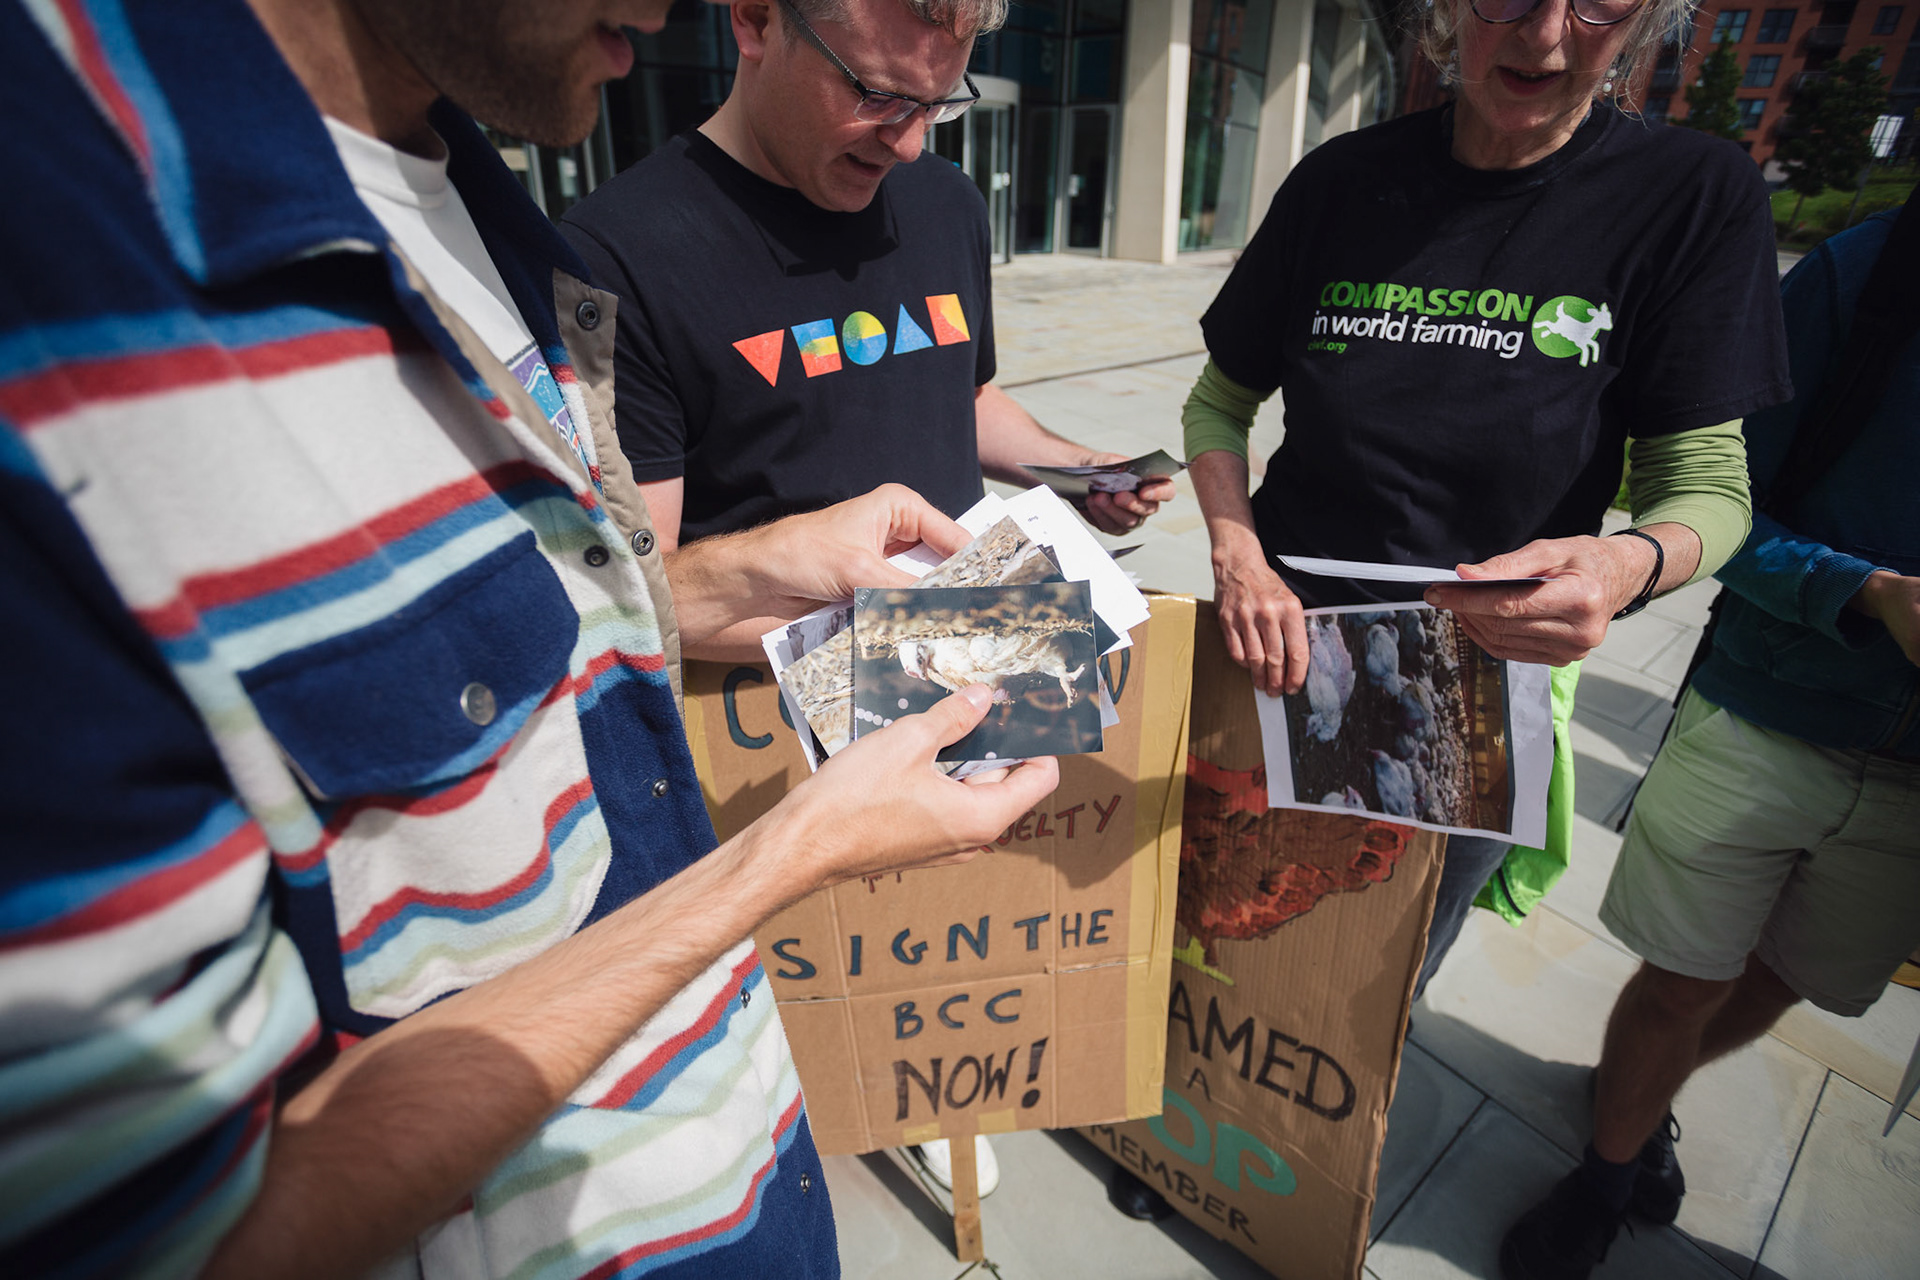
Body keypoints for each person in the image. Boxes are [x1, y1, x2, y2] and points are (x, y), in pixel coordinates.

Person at [0, 1, 1059, 1277]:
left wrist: (743, 568)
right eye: (876, 92)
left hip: (751, 1195)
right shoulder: (59, 307)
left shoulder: (490, 219)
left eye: (935, 104)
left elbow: (555, 649)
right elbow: (179, 1235)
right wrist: (792, 851)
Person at [1149, 0, 1789, 1226]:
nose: (1544, 35)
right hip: (1277, 646)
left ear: (1646, 21)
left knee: (1367, 973)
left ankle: (1290, 1171)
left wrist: (1625, 566)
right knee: (1219, 918)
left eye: (1595, 4)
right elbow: (1219, 403)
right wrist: (1235, 547)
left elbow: (1712, 492)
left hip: (1462, 686)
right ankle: (1194, 1132)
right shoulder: (1343, 180)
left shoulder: (1691, 195)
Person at [1500, 207, 1920, 1279]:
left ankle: (1642, 1099)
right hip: (1773, 706)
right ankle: (1606, 1172)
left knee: (1788, 978)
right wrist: (1867, 593)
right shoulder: (1865, 273)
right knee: (1682, 979)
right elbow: (1716, 506)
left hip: (1910, 789)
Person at [557, 0, 1173, 669]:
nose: (908, 146)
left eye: (937, 104)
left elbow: (957, 396)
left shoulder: (951, 205)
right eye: (879, 95)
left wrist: (1082, 472)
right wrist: (894, 623)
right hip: (774, 705)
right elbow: (639, 591)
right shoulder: (616, 256)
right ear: (757, 20)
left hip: (981, 663)